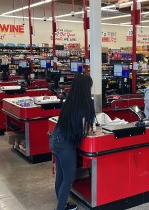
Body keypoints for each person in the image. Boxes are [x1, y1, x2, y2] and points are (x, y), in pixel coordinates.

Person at [49, 74, 95, 210]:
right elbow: (86, 129)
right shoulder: (84, 104)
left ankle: (62, 204)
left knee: (61, 176)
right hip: (65, 144)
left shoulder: (69, 101)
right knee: (68, 178)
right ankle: (61, 208)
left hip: (55, 140)